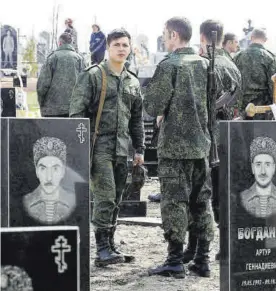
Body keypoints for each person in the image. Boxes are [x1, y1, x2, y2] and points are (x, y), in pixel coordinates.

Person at [143, 17, 213, 279]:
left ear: (173, 35)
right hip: (201, 147)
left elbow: (152, 106)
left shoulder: (169, 65)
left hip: (174, 148)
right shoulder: (206, 64)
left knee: (174, 203)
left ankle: (174, 260)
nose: (163, 37)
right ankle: (202, 259)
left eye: (164, 33)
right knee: (201, 204)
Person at [70, 28, 145, 267]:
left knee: (117, 198)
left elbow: (136, 119)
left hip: (122, 149)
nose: (121, 49)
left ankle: (110, 244)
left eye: (125, 45)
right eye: (117, 45)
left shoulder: (132, 80)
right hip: (98, 148)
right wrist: (81, 149)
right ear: (108, 48)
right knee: (105, 197)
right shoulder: (93, 76)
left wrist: (140, 150)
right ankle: (101, 249)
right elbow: (77, 114)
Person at [195, 19, 242, 262]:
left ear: (203, 37)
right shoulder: (233, 65)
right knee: (225, 194)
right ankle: (226, 247)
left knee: (203, 195)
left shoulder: (204, 65)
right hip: (232, 136)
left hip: (207, 138)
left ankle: (199, 250)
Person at [23, 137, 76, 225]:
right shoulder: (27, 201)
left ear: (63, 171)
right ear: (36, 171)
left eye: (55, 169)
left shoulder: (72, 201)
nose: (49, 178)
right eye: (43, 168)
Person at [37, 32, 83, 117]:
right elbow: (85, 85)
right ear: (71, 43)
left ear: (60, 43)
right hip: (74, 110)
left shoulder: (52, 58)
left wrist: (42, 104)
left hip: (52, 110)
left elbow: (42, 85)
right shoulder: (80, 59)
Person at [234, 28, 276, 118]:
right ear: (265, 40)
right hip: (262, 109)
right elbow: (273, 86)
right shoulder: (270, 57)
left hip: (241, 109)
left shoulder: (238, 56)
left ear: (251, 38)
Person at [241, 136, 276, 218]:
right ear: (253, 168)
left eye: (267, 164)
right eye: (258, 164)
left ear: (274, 168)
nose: (263, 172)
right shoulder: (242, 198)